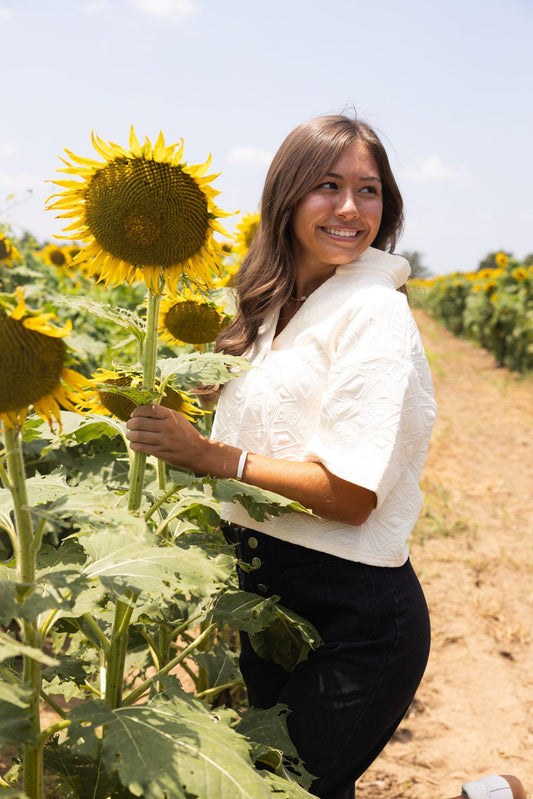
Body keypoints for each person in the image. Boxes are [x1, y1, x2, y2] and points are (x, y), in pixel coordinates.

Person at [126, 113, 438, 799]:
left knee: (277, 791)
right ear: (287, 194)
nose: (351, 208)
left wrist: (212, 456)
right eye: (328, 185)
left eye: (369, 189)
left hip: (352, 615)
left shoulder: (373, 313)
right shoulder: (272, 307)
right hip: (269, 598)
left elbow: (352, 496)